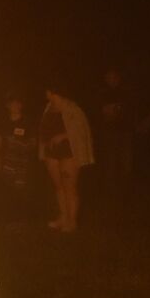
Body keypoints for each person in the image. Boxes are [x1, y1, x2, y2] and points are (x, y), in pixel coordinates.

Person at [39, 84, 94, 232]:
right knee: (58, 186)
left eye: (47, 91)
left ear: (52, 92)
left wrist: (63, 136)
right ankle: (63, 216)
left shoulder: (72, 109)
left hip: (69, 152)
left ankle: (72, 221)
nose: (46, 93)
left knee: (69, 187)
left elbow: (81, 131)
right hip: (52, 153)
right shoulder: (48, 108)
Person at [0, 95, 40, 230]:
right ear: (8, 106)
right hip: (7, 164)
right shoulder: (3, 123)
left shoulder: (27, 122)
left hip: (22, 164)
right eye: (12, 104)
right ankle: (7, 220)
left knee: (21, 191)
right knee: (7, 192)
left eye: (17, 103)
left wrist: (21, 145)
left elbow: (33, 142)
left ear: (21, 105)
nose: (15, 106)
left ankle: (21, 220)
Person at [93, 68, 135, 205]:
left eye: (114, 77)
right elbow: (99, 113)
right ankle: (110, 193)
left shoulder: (126, 92)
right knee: (109, 162)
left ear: (118, 77)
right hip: (108, 133)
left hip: (124, 132)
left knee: (125, 162)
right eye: (108, 77)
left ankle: (125, 191)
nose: (111, 79)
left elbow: (130, 110)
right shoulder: (101, 93)